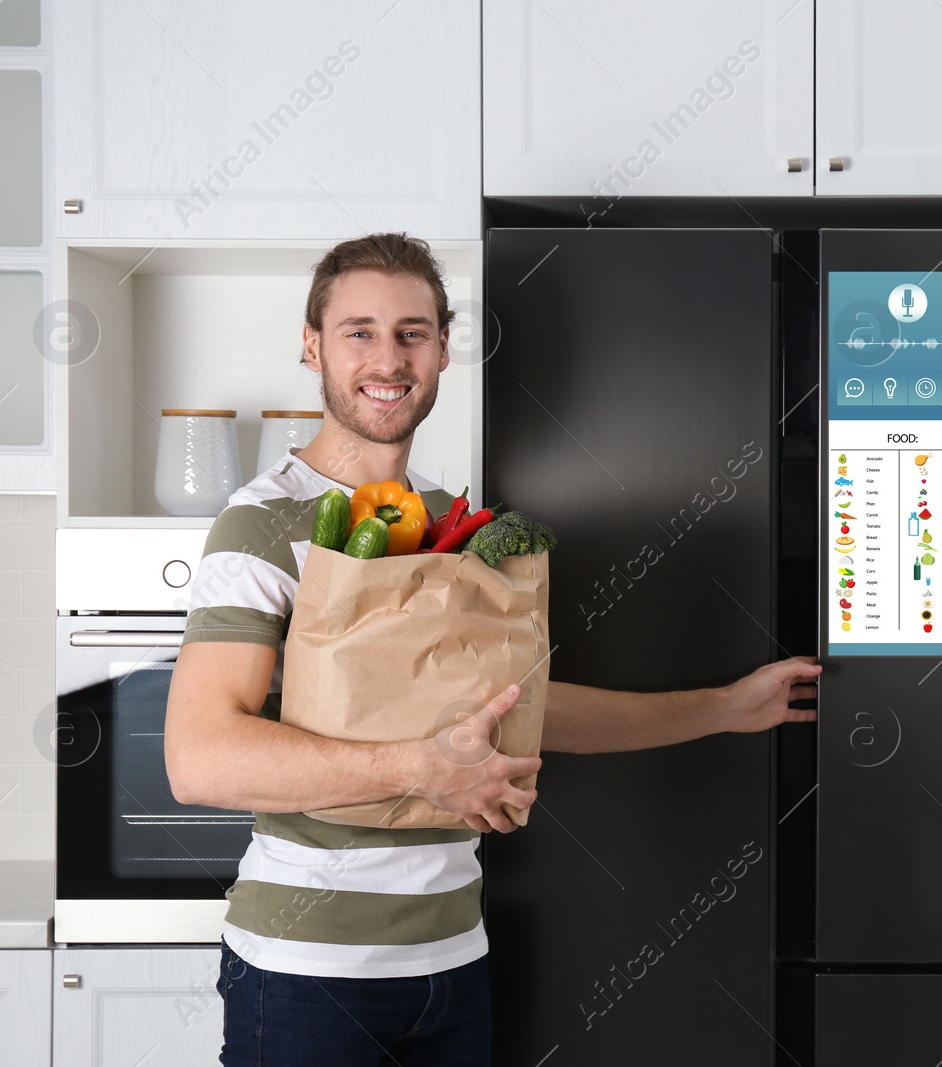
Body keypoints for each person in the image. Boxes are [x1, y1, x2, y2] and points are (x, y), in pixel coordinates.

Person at [164, 232, 821, 1066]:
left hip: (454, 962)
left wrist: (726, 707)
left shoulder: (459, 524)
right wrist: (421, 766)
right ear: (311, 346)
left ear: (442, 348)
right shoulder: (262, 522)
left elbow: (523, 710)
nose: (388, 356)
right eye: (358, 331)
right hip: (308, 974)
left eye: (413, 331)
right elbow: (199, 759)